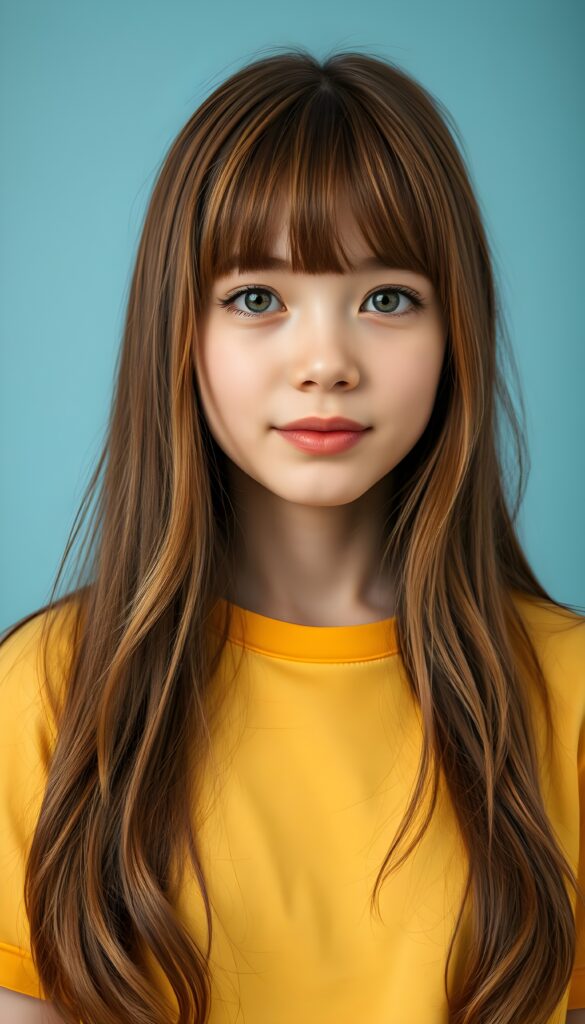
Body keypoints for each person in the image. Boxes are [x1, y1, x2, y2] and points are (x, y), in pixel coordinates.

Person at [1, 46, 584, 1024]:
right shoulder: (50, 694)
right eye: (257, 298)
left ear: (457, 336)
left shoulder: (565, 697)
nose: (326, 361)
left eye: (387, 298)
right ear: (178, 331)